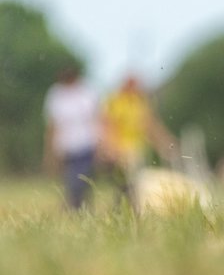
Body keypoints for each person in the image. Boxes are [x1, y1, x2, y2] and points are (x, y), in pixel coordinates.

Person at [100, 75, 178, 209]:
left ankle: (131, 212)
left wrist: (166, 143)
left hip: (137, 150)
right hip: (122, 151)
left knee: (135, 185)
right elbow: (109, 127)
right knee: (126, 186)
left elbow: (150, 125)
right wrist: (113, 149)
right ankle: (125, 211)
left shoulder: (140, 102)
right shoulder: (116, 102)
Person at [43, 67, 100, 210]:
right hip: (66, 147)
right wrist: (50, 152)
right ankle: (75, 208)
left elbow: (96, 119)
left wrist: (101, 144)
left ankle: (78, 208)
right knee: (72, 180)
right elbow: (52, 125)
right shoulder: (56, 95)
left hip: (86, 145)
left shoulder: (86, 92)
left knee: (81, 179)